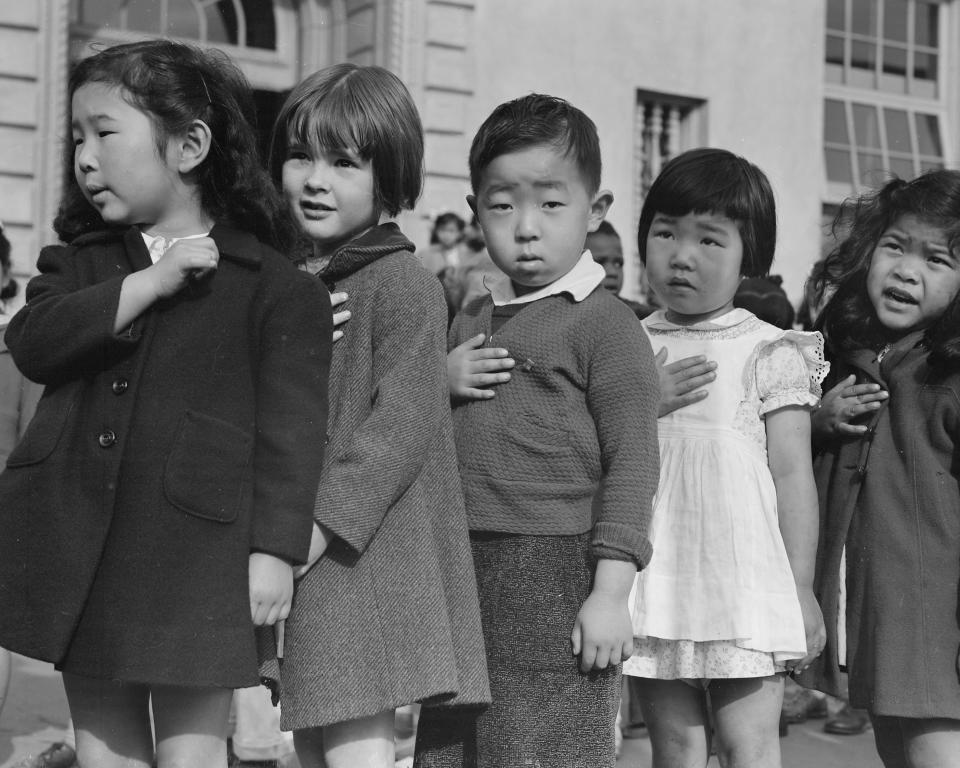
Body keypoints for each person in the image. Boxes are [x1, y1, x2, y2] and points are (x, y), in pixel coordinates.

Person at [0, 40, 332, 768]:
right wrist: (151, 282)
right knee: (104, 754)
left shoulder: (277, 288)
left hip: (197, 560)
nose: (85, 156)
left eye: (105, 132)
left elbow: (292, 433)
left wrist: (275, 550)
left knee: (193, 755)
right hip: (81, 546)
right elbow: (35, 343)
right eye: (77, 137)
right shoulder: (78, 262)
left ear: (189, 146)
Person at [414, 93, 660, 768]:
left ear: (596, 211)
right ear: (473, 213)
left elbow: (634, 465)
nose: (525, 227)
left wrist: (610, 595)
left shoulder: (607, 326)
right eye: (502, 205)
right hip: (462, 564)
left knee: (544, 750)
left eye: (551, 204)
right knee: (451, 748)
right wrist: (439, 378)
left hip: (556, 573)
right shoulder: (470, 315)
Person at [267, 63, 489, 768]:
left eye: (344, 161)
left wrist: (311, 531)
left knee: (355, 741)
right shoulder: (298, 281)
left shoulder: (403, 284)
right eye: (300, 155)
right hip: (312, 545)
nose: (315, 178)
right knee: (312, 737)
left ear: (389, 177)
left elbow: (399, 427)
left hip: (359, 549)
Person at [622, 148, 827, 768]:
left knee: (751, 748)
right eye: (665, 234)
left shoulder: (770, 349)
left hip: (744, 587)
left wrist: (800, 589)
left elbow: (793, 477)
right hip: (654, 583)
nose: (682, 256)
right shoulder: (626, 343)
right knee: (675, 750)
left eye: (709, 240)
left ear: (750, 257)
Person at [802, 170, 960, 767]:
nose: (905, 270)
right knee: (897, 748)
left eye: (937, 259)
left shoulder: (949, 372)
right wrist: (817, 421)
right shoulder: (850, 357)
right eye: (894, 246)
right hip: (882, 614)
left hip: (937, 621)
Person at [587, 220, 653, 319]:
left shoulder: (641, 317)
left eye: (618, 264)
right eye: (600, 262)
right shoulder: (562, 317)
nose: (613, 272)